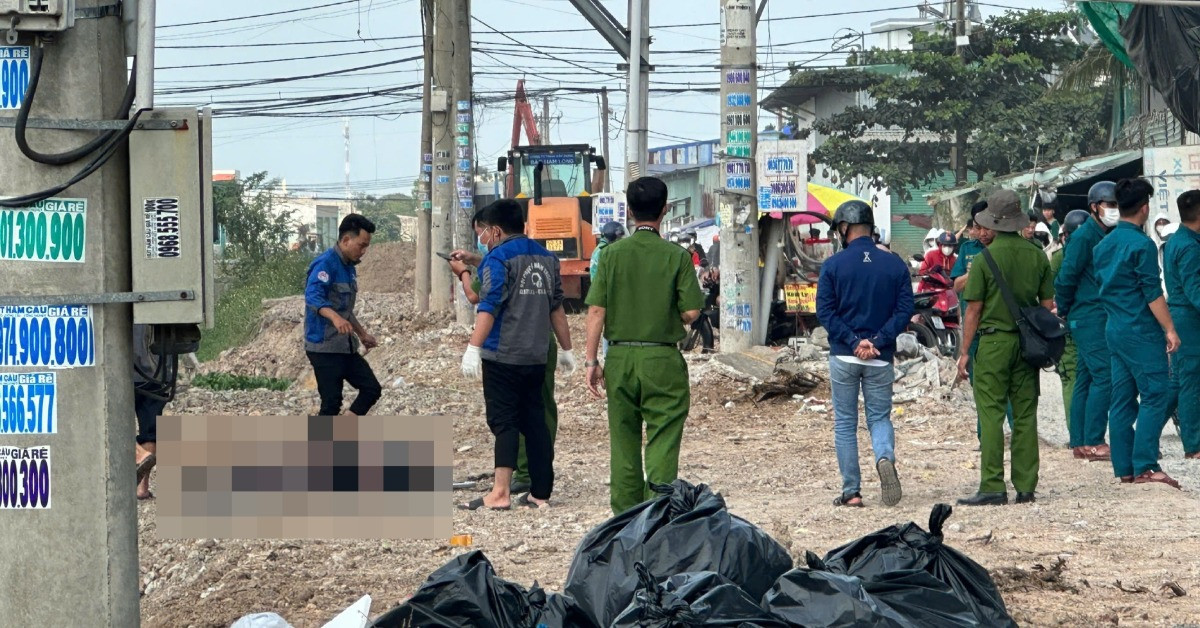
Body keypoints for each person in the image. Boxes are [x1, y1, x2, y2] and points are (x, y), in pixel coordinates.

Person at [584, 176, 704, 515]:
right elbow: (691, 312)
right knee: (663, 438)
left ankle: (625, 518)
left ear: (630, 211)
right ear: (665, 210)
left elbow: (596, 311)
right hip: (662, 359)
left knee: (623, 441)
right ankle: (658, 514)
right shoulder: (677, 256)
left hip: (619, 357)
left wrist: (591, 361)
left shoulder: (610, 255)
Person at [459, 200, 575, 510]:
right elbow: (557, 308)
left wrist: (473, 347)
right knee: (535, 421)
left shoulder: (498, 258)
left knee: (504, 421)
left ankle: (500, 493)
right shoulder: (547, 257)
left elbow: (488, 305)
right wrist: (567, 349)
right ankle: (540, 493)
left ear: (496, 230)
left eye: (484, 233)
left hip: (503, 354)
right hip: (536, 355)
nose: (483, 239)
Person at [955, 189, 1054, 506]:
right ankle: (1025, 487)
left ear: (993, 222)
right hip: (1027, 345)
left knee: (991, 414)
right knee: (1025, 415)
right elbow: (1047, 306)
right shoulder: (1037, 255)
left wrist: (964, 353)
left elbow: (973, 310)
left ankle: (992, 486)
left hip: (993, 343)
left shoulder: (984, 259)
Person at [816, 200, 913, 508]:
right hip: (880, 357)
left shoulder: (833, 265)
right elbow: (904, 310)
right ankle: (884, 456)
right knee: (879, 417)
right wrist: (878, 340)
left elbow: (825, 312)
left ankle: (852, 492)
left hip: (844, 356)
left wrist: (854, 340)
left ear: (844, 228)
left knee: (846, 423)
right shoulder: (895, 265)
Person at [1093, 177, 1181, 487]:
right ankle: (1145, 464)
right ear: (1145, 208)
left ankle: (1125, 467)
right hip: (1140, 329)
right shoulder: (1142, 244)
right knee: (1156, 394)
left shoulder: (1102, 245)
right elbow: (1152, 293)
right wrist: (1170, 328)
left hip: (1114, 328)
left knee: (1122, 399)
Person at [1055, 184, 1119, 463]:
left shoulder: (1106, 233)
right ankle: (1094, 441)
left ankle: (1080, 441)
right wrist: (1065, 309)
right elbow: (1066, 277)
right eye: (1110, 204)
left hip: (1095, 313)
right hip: (1088, 315)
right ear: (1094, 206)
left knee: (1086, 378)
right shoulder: (1084, 237)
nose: (1115, 210)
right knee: (1105, 377)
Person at [304, 214, 382, 417]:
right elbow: (313, 296)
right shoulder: (325, 264)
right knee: (331, 404)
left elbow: (345, 310)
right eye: (361, 245)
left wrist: (362, 334)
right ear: (346, 240)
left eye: (366, 247)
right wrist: (335, 318)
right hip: (323, 347)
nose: (363, 251)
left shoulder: (349, 268)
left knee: (371, 389)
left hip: (345, 346)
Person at [951, 200, 1014, 437]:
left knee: (1008, 382)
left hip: (999, 323)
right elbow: (956, 285)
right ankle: (985, 435)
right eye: (978, 227)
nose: (982, 232)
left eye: (987, 226)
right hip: (973, 326)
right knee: (979, 383)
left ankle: (1017, 432)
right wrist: (978, 270)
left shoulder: (1007, 248)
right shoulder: (968, 249)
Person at [1163, 190, 1200, 461]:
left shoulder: (1179, 239)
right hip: (1188, 319)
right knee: (1190, 383)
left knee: (1178, 382)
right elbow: (1195, 290)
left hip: (1180, 316)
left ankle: (1146, 434)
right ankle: (1194, 445)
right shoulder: (1189, 247)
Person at [1050, 210, 1091, 454]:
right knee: (1084, 379)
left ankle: (1079, 437)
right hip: (1084, 323)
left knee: (1073, 380)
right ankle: (1085, 436)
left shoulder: (1060, 257)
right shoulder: (1097, 250)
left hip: (1069, 322)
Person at [133, 323, 163, 500]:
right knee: (150, 427)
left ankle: (138, 454)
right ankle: (142, 487)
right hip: (155, 365)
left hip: (118, 366)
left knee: (106, 418)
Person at [591, 221, 626, 358]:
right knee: (610, 326)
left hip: (599, 292)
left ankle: (608, 355)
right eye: (619, 237)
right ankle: (609, 355)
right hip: (607, 293)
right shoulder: (606, 252)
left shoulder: (599, 249)